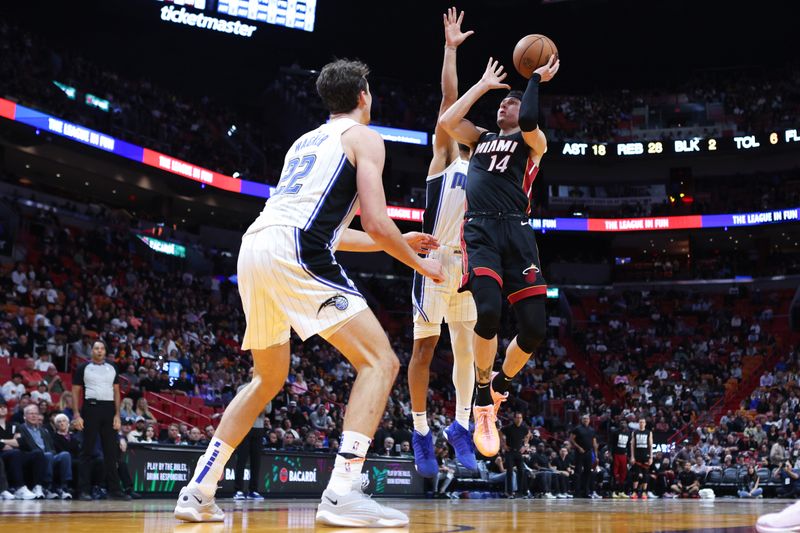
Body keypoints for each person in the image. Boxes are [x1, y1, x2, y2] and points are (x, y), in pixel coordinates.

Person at [173, 58, 443, 528]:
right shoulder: (365, 138)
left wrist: (401, 241)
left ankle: (199, 488)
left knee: (266, 379)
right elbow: (376, 224)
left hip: (256, 246)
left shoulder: (306, 140)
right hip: (293, 249)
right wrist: (420, 262)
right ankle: (342, 490)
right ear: (364, 96)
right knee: (380, 362)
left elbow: (337, 232)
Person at [438, 50, 560, 456]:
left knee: (534, 329)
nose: (506, 104)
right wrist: (482, 87)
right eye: (502, 102)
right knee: (487, 311)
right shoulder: (480, 140)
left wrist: (535, 81)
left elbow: (528, 118)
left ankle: (501, 386)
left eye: (511, 100)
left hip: (518, 230)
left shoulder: (532, 141)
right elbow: (447, 122)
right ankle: (483, 399)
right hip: (481, 230)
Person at [408, 7, 478, 478]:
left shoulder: (490, 166)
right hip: (433, 258)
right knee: (424, 351)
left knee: (467, 349)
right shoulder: (446, 155)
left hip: (470, 264)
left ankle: (461, 426)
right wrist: (451, 51)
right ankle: (420, 430)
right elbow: (448, 100)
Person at [72, 340, 129, 500]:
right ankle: (83, 490)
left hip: (109, 409)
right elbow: (75, 391)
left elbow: (117, 392)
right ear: (92, 351)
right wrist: (77, 414)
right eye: (96, 348)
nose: (99, 351)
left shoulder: (112, 367)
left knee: (111, 451)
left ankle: (115, 490)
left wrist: (117, 415)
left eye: (102, 348)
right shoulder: (83, 368)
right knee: (87, 450)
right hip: (90, 407)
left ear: (105, 351)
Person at [15, 404, 72, 499]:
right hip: (34, 456)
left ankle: (64, 487)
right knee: (47, 455)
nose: (33, 416)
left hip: (49, 455)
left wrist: (52, 453)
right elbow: (23, 445)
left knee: (65, 455)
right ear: (24, 416)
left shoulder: (44, 430)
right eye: (31, 413)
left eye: (36, 414)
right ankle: (47, 487)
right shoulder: (20, 428)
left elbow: (51, 447)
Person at [233, 367, 267, 501]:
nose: (252, 374)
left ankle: (253, 490)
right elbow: (240, 407)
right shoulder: (241, 389)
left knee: (256, 462)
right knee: (241, 460)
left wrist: (253, 406)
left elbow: (267, 408)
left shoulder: (265, 389)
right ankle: (238, 490)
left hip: (258, 428)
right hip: (244, 428)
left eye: (254, 372)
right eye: (250, 372)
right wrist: (257, 406)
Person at [570, 414, 600, 499]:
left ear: (589, 420)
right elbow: (571, 439)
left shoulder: (592, 430)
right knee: (578, 472)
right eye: (584, 419)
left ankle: (586, 492)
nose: (586, 420)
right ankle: (577, 492)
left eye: (587, 419)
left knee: (588, 472)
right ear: (581, 420)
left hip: (589, 453)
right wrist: (579, 447)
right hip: (579, 452)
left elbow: (594, 443)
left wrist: (596, 456)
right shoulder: (577, 429)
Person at [501, 412, 529, 498]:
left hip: (518, 452)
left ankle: (520, 492)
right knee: (510, 471)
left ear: (522, 419)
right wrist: (503, 444)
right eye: (517, 417)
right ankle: (509, 493)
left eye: (520, 418)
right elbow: (500, 432)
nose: (518, 419)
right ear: (514, 418)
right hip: (510, 451)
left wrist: (525, 445)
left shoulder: (524, 428)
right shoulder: (509, 427)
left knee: (521, 471)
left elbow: (528, 435)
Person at [629, 417, 653, 500]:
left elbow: (650, 445)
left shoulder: (649, 432)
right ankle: (634, 491)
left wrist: (651, 457)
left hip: (645, 455)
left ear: (645, 423)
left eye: (643, 422)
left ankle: (644, 492)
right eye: (640, 422)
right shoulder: (635, 432)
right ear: (638, 423)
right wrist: (632, 456)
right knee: (636, 473)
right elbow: (632, 445)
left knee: (645, 474)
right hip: (637, 455)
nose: (641, 423)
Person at [610, 419, 631, 498]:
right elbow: (611, 443)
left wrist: (629, 456)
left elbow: (628, 446)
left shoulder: (628, 433)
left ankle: (621, 492)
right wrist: (610, 454)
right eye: (621, 423)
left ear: (626, 424)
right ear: (619, 424)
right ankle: (613, 492)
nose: (623, 424)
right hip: (616, 454)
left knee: (623, 474)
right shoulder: (615, 432)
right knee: (615, 474)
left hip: (624, 456)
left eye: (624, 422)